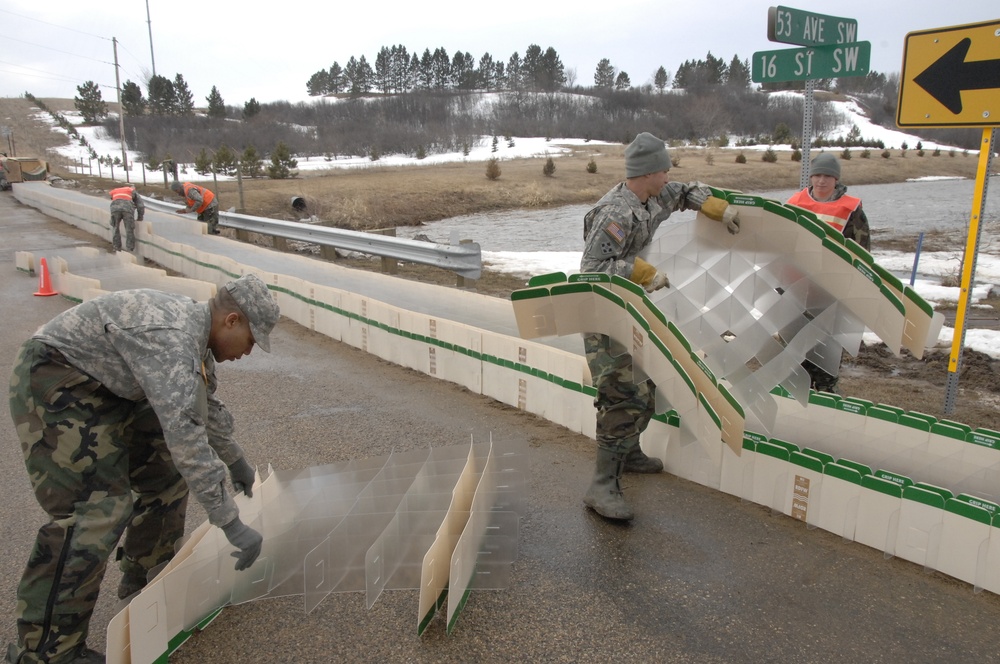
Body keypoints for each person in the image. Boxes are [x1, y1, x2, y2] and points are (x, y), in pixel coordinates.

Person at [6, 274, 280, 664]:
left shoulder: (197, 341)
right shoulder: (171, 340)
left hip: (106, 387)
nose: (248, 353)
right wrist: (231, 524)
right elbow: (187, 438)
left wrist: (237, 462)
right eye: (252, 341)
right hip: (57, 376)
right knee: (96, 510)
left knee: (164, 467)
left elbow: (204, 409)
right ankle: (46, 651)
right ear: (231, 321)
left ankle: (146, 574)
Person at [580, 132, 741, 521]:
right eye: (664, 170)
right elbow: (592, 270)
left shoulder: (652, 197)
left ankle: (629, 451)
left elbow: (684, 192)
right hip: (604, 314)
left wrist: (715, 207)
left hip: (630, 309)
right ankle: (601, 486)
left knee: (648, 382)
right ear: (647, 172)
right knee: (621, 394)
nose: (669, 176)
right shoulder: (616, 212)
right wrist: (642, 272)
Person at [786, 152, 871, 394]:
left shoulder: (851, 209)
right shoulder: (795, 202)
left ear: (836, 179)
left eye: (827, 176)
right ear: (811, 177)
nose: (821, 181)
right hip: (797, 288)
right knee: (795, 346)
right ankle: (795, 394)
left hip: (832, 292)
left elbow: (862, 252)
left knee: (827, 348)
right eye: (817, 175)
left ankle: (826, 392)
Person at [108, 185, 144, 252]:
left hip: (115, 208)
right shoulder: (132, 191)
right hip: (127, 209)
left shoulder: (116, 190)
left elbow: (112, 198)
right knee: (129, 229)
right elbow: (140, 206)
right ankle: (130, 249)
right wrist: (140, 218)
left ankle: (116, 248)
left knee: (115, 228)